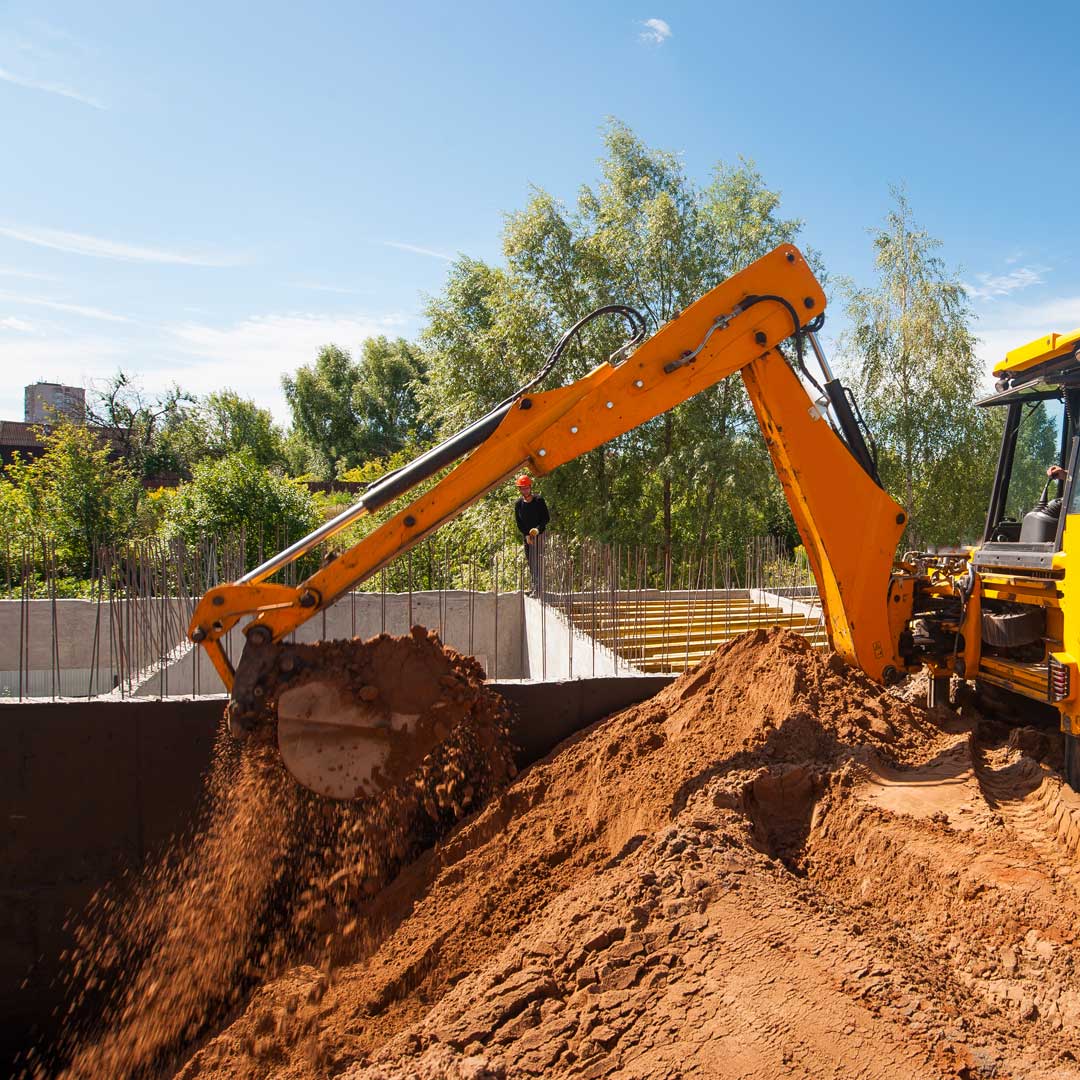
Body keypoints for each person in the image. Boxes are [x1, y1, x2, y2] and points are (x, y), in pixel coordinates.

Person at [513, 474, 549, 597]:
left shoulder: (539, 501)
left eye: (527, 488)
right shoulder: (518, 504)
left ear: (530, 487)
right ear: (519, 489)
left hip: (539, 535)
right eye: (522, 488)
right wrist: (526, 535)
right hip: (527, 537)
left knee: (538, 561)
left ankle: (539, 589)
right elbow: (519, 522)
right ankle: (535, 587)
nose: (525, 490)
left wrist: (537, 530)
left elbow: (545, 518)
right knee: (531, 562)